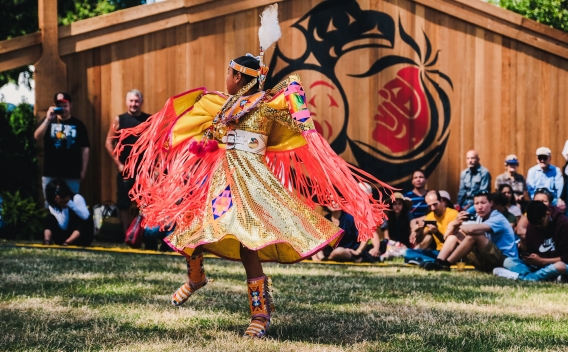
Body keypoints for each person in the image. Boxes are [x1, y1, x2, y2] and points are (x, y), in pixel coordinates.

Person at [115, 5, 391, 339]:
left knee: (248, 246)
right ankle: (197, 277)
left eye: (229, 75)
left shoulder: (268, 106)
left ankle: (260, 314)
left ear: (239, 78)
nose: (225, 79)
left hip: (252, 185)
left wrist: (291, 102)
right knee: (191, 230)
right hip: (220, 184)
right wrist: (203, 141)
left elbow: (298, 116)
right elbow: (212, 137)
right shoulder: (223, 106)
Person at [423, 191, 518, 272]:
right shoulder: (479, 217)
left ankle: (446, 264)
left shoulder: (497, 217)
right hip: (488, 260)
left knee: (474, 235)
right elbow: (447, 237)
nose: (479, 207)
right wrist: (456, 222)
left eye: (483, 203)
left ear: (491, 203)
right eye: (476, 204)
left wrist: (458, 225)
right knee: (455, 236)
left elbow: (471, 230)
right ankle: (438, 262)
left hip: (504, 262)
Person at [105, 89, 152, 236]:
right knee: (124, 203)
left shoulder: (149, 120)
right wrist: (118, 164)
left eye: (136, 101)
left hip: (144, 170)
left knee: (145, 203)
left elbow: (155, 144)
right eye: (131, 101)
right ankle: (127, 234)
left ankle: (142, 234)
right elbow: (108, 143)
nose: (134, 104)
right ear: (127, 102)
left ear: (141, 102)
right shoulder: (120, 120)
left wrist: (154, 167)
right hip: (125, 169)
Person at [34, 92, 90, 202]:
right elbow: (37, 136)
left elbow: (85, 148)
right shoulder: (48, 121)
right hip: (51, 172)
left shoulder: (78, 125)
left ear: (70, 105)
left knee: (73, 203)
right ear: (54, 106)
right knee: (50, 204)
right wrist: (48, 119)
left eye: (65, 106)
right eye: (59, 106)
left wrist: (83, 170)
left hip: (72, 173)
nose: (62, 109)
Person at [493, 201, 568, 281]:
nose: (539, 227)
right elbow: (529, 251)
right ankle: (549, 277)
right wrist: (529, 257)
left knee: (560, 266)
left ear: (548, 214)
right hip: (539, 266)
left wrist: (543, 261)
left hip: (557, 263)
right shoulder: (532, 225)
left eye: (541, 223)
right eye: (536, 225)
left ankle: (522, 277)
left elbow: (566, 257)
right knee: (507, 262)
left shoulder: (563, 224)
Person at [43, 179, 93, 246]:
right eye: (56, 192)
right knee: (49, 217)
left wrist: (69, 202)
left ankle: (68, 242)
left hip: (81, 236)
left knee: (86, 219)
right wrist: (64, 207)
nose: (59, 194)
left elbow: (85, 216)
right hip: (63, 235)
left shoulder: (76, 198)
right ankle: (47, 241)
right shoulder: (53, 205)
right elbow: (63, 226)